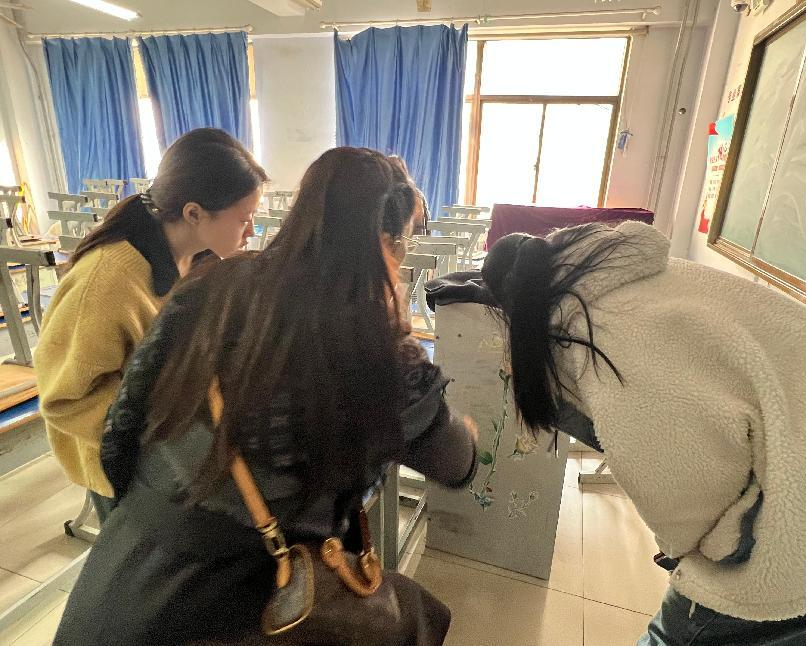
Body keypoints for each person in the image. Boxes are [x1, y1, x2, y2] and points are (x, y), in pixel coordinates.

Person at [53, 148, 477, 645]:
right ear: (387, 241)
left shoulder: (210, 285)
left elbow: (124, 425)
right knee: (416, 619)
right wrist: (463, 428)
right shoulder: (380, 348)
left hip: (127, 570)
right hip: (237, 593)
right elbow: (456, 465)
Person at [481, 221, 806, 645]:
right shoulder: (621, 273)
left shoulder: (604, 342)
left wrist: (696, 550)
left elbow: (694, 487)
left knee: (686, 631)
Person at [35, 128, 267, 522]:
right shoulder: (107, 280)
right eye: (244, 219)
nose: (251, 231)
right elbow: (63, 397)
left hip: (183, 445)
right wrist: (163, 429)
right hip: (132, 466)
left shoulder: (200, 259)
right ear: (194, 213)